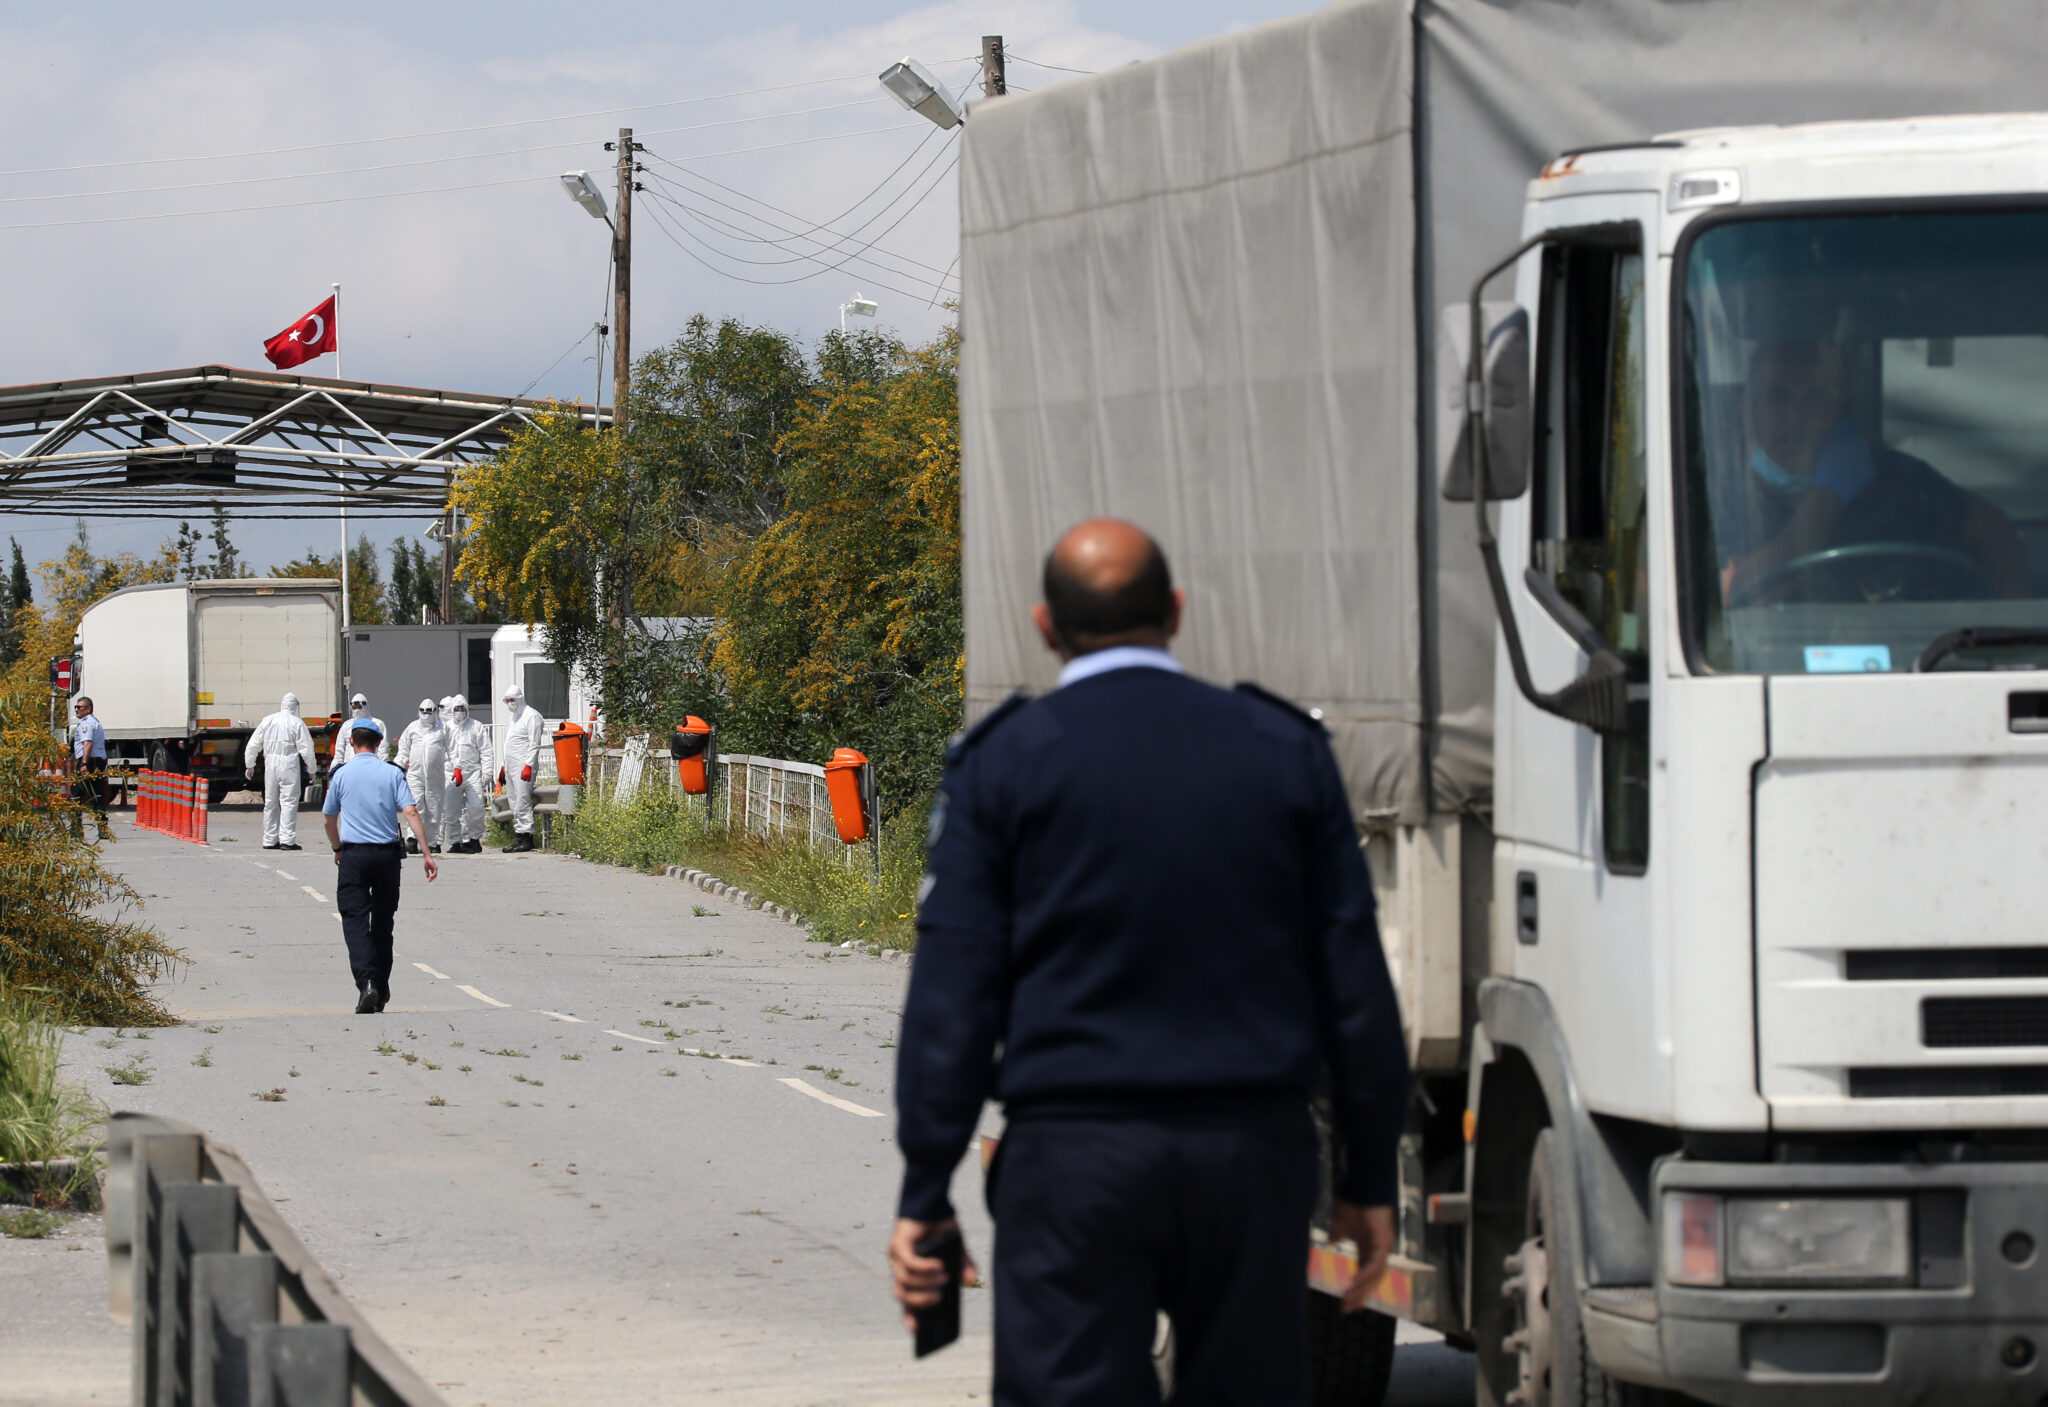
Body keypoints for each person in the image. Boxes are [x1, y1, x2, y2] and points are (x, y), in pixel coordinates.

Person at [890, 519, 1411, 1406]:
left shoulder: (1004, 763)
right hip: (1250, 1158)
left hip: (1074, 1165)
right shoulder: (1281, 750)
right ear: (1174, 612)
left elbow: (954, 994)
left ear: (1045, 627)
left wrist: (925, 1185)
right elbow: (1354, 987)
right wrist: (1366, 1177)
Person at [1719, 339, 2030, 603]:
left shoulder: (1892, 483)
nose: (1795, 416)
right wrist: (1827, 499)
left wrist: (2010, 655)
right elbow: (1726, 594)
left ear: (1839, 409)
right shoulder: (1717, 494)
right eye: (1777, 396)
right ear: (1748, 408)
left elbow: (1997, 533)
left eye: (1814, 398)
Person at [322, 716, 438, 1013]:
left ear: (351, 742)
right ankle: (382, 987)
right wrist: (426, 853)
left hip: (354, 856)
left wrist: (337, 848)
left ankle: (367, 984)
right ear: (378, 744)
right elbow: (410, 812)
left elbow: (328, 818)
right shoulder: (391, 773)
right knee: (383, 923)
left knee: (356, 921)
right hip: (387, 857)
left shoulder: (342, 775)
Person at [243, 693, 317, 851]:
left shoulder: (268, 720)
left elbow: (253, 744)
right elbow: (307, 749)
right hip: (289, 764)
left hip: (270, 764)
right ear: (295, 706)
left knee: (270, 802)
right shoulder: (297, 723)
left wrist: (250, 764)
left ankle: (269, 839)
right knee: (289, 802)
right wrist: (312, 769)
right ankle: (287, 840)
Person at [393, 698, 447, 855]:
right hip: (415, 774)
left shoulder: (442, 729)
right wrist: (399, 767)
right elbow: (403, 748)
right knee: (415, 805)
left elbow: (452, 750)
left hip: (435, 774)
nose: (426, 715)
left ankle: (432, 842)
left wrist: (455, 767)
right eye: (423, 711)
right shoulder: (412, 728)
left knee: (434, 807)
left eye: (429, 712)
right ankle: (412, 838)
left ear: (434, 712)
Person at [440, 693, 492, 854]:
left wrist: (487, 771)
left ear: (467, 709)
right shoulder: (446, 728)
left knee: (476, 807)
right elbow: (441, 751)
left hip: (472, 773)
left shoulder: (476, 726)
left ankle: (474, 840)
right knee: (451, 810)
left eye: (462, 708)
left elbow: (486, 750)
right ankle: (455, 842)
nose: (459, 711)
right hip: (451, 774)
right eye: (456, 708)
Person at [498, 683, 545, 854]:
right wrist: (504, 767)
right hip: (511, 767)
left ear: (520, 699)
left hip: (524, 766)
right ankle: (519, 835)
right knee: (514, 801)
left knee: (523, 800)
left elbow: (534, 744)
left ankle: (527, 837)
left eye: (512, 700)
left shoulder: (532, 716)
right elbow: (509, 744)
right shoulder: (513, 718)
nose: (510, 703)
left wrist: (528, 765)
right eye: (507, 700)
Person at [69, 695, 108, 840]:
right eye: (76, 707)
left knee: (75, 795)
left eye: (80, 707)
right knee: (97, 795)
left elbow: (88, 743)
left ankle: (76, 830)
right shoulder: (94, 722)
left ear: (88, 709)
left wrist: (84, 763)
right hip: (97, 760)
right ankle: (103, 829)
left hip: (89, 761)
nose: (77, 710)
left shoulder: (87, 723)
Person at [330, 692, 391, 773]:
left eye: (359, 707)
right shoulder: (346, 725)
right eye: (354, 707)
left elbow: (383, 750)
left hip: (371, 769)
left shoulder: (378, 724)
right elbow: (339, 751)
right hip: (349, 769)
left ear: (365, 706)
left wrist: (381, 769)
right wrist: (334, 769)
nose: (356, 709)